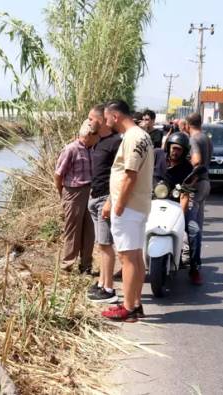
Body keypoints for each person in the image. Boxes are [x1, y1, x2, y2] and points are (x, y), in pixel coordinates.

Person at [100, 100, 154, 322]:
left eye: (106, 118)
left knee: (127, 258)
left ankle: (128, 307)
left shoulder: (132, 138)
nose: (106, 122)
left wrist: (118, 204)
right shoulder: (143, 135)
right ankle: (136, 303)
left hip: (129, 207)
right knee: (136, 256)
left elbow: (130, 174)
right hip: (138, 205)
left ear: (115, 116)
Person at [86, 104, 122, 303]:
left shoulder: (116, 143)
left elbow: (120, 175)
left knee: (106, 244)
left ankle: (109, 289)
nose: (88, 122)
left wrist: (109, 200)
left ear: (100, 119)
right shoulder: (99, 141)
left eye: (91, 119)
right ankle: (101, 282)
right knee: (100, 244)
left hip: (105, 199)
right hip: (95, 197)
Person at [54, 120, 99, 274]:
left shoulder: (92, 149)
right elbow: (58, 175)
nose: (98, 138)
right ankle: (67, 266)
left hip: (90, 192)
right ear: (88, 135)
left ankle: (86, 266)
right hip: (73, 192)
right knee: (73, 230)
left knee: (89, 230)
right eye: (96, 135)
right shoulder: (71, 149)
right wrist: (63, 194)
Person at [186, 112, 213, 285]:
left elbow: (197, 162)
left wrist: (189, 182)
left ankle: (194, 266)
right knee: (198, 227)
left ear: (188, 124)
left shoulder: (193, 139)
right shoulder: (207, 138)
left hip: (196, 185)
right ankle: (195, 262)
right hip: (206, 184)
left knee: (191, 226)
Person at [162, 132, 193, 212]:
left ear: (184, 151)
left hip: (173, 206)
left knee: (192, 224)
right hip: (151, 203)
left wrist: (181, 216)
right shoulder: (157, 156)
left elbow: (185, 196)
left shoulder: (188, 168)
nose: (175, 152)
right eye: (174, 148)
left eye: (179, 149)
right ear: (169, 147)